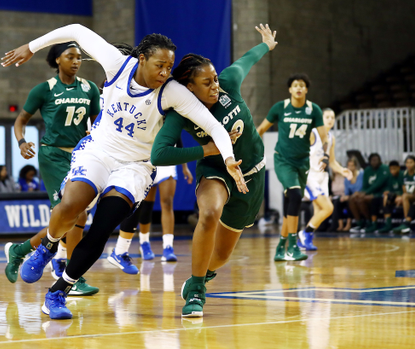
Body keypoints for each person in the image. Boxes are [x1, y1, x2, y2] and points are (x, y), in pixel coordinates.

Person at [2, 24, 242, 320]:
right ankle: (48, 245)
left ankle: (57, 292)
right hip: (99, 151)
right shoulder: (117, 63)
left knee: (102, 227)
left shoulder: (173, 92)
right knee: (72, 206)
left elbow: (214, 126)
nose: (165, 73)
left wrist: (228, 158)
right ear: (141, 59)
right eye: (159, 65)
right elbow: (77, 29)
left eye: (169, 67)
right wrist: (31, 46)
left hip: (135, 166)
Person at [151, 24, 277, 318]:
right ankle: (196, 290)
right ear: (189, 87)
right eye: (206, 83)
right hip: (216, 171)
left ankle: (202, 274)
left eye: (215, 79)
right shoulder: (182, 111)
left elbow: (246, 59)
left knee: (220, 257)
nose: (215, 86)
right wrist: (207, 150)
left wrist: (267, 45)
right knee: (209, 212)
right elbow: (159, 154)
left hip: (252, 174)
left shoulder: (228, 84)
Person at [4, 41, 101, 296]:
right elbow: (20, 121)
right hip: (52, 156)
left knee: (72, 218)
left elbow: (97, 124)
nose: (76, 61)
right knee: (75, 214)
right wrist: (22, 141)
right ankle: (73, 275)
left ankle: (21, 250)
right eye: (70, 56)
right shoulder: (44, 89)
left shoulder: (89, 88)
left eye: (79, 57)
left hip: (80, 155)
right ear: (58, 60)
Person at [257, 73, 328, 261]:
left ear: (306, 89)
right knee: (296, 195)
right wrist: (252, 151)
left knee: (292, 203)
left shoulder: (314, 110)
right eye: (295, 85)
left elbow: (324, 137)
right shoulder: (280, 108)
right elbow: (261, 130)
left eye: (302, 85)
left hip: (303, 162)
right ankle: (293, 246)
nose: (298, 88)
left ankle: (281, 247)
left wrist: (326, 155)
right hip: (283, 161)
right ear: (290, 89)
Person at [108, 163, 193, 275]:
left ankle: (168, 247)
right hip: (148, 160)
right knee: (144, 205)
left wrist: (184, 167)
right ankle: (144, 243)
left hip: (167, 159)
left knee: (167, 203)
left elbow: (178, 144)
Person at [298, 108, 352, 250]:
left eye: (332, 117)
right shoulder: (312, 133)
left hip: (322, 177)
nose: (330, 120)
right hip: (310, 177)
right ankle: (305, 234)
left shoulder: (331, 138)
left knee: (319, 212)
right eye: (327, 117)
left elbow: (332, 162)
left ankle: (304, 241)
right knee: (328, 208)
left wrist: (342, 170)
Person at [348, 153, 390, 233]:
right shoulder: (367, 170)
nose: (374, 162)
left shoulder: (384, 168)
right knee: (352, 199)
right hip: (369, 193)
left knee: (361, 200)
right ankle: (359, 223)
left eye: (376, 160)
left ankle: (369, 222)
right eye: (372, 160)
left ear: (380, 160)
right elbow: (365, 185)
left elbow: (378, 184)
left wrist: (365, 193)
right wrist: (362, 192)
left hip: (380, 193)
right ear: (369, 161)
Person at [393, 155, 415, 234]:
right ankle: (406, 223)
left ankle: (406, 222)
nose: (409, 164)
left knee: (405, 196)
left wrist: (409, 197)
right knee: (402, 197)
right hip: (407, 196)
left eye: (411, 162)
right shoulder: (403, 174)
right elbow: (403, 188)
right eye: (407, 162)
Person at [335, 158, 363, 231]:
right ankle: (340, 225)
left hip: (360, 195)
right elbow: (347, 192)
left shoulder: (361, 174)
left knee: (350, 201)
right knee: (338, 202)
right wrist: (344, 197)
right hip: (351, 196)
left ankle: (349, 224)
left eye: (352, 165)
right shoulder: (347, 178)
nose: (350, 168)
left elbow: (360, 188)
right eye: (348, 166)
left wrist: (349, 196)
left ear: (356, 166)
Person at [377, 160, 403, 233]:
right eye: (391, 169)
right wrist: (387, 192)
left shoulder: (402, 175)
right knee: (385, 197)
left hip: (403, 196)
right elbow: (388, 188)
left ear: (399, 168)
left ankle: (404, 224)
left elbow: (405, 190)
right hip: (395, 197)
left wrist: (398, 195)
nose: (393, 171)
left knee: (397, 199)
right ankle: (388, 224)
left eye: (394, 169)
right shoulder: (389, 177)